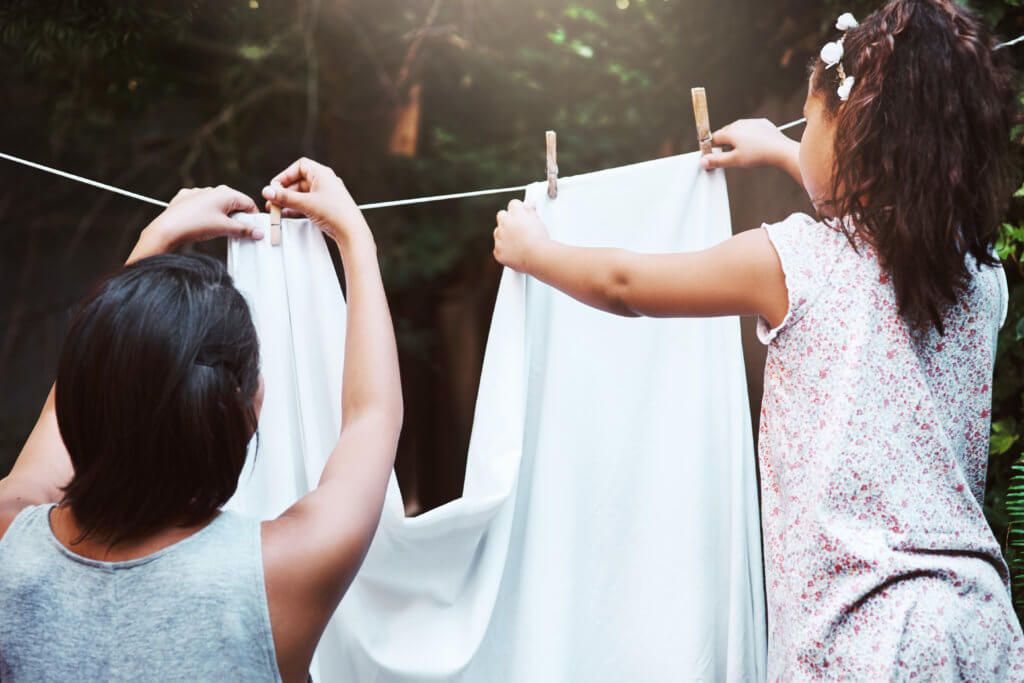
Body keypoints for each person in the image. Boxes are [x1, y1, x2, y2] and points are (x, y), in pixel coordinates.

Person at [492, 0, 1024, 678]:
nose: (799, 139)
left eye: (809, 123)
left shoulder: (792, 262)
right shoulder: (980, 278)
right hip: (979, 626)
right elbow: (878, 212)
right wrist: (779, 148)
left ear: (853, 141)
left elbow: (626, 284)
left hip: (862, 640)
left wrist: (535, 250)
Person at [0, 158, 402, 683]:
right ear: (248, 408)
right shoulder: (279, 575)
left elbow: (85, 382)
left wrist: (157, 234)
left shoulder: (10, 535)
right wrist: (354, 238)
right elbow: (373, 417)